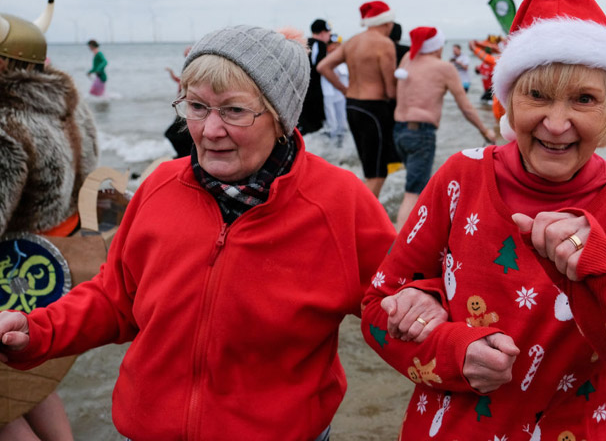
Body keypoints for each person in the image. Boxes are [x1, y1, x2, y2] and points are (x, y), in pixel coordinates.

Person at [0, 24, 432, 441]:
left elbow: (396, 306)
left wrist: (456, 350)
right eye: (196, 106)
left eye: (234, 110)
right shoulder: (157, 187)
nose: (210, 130)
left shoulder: (339, 201)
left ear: (281, 118)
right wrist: (35, 331)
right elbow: (116, 298)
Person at [361, 0, 606, 439]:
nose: (556, 123)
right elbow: (375, 307)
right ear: (508, 101)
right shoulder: (459, 177)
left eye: (584, 99)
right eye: (537, 95)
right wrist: (451, 348)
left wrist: (598, 273)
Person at [0, 0, 98, 441]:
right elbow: (91, 177)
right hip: (61, 266)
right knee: (31, 380)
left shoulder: (4, 122)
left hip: (10, 277)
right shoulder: (71, 105)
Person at [393, 26, 496, 229]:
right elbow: (465, 106)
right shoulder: (444, 68)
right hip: (421, 134)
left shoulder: (408, 59)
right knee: (413, 192)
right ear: (437, 46)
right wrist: (485, 131)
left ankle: (410, 235)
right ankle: (397, 245)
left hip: (399, 131)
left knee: (413, 185)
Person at [318, 0, 397, 198]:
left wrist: (344, 89)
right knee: (378, 174)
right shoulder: (385, 44)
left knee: (369, 169)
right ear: (387, 23)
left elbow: (323, 67)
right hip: (374, 109)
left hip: (352, 106)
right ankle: (362, 221)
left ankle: (355, 212)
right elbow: (390, 90)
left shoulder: (352, 42)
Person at [298, 18, 331, 135]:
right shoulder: (320, 44)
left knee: (304, 121)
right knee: (317, 122)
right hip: (315, 89)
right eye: (328, 33)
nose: (329, 37)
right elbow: (320, 66)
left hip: (301, 89)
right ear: (322, 33)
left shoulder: (303, 43)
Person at [164, 45, 194, 157]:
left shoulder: (194, 72)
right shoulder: (188, 71)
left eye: (188, 55)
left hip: (187, 109)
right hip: (182, 107)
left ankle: (184, 156)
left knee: (173, 134)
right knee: (173, 134)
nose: (187, 58)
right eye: (186, 56)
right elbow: (178, 80)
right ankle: (184, 155)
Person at [320, 35, 349, 143]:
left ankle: (342, 138)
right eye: (333, 45)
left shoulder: (343, 60)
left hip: (341, 94)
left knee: (342, 116)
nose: (335, 48)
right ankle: (333, 138)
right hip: (329, 92)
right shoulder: (325, 59)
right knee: (331, 117)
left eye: (338, 45)